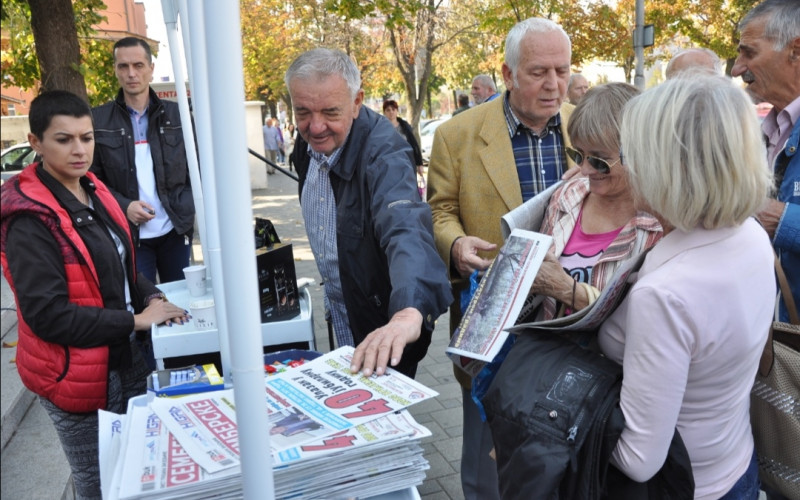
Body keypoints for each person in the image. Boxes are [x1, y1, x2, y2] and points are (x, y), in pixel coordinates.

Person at [0, 90, 189, 500]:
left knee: (137, 468)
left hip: (123, 356)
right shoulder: (29, 218)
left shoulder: (93, 187)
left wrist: (151, 297)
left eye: (86, 138)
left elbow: (121, 265)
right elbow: (47, 316)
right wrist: (136, 320)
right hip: (73, 374)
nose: (79, 150)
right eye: (63, 139)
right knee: (99, 480)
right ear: (35, 142)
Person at [599, 74, 774, 500]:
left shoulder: (665, 294)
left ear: (666, 166)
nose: (626, 167)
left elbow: (639, 458)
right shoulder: (749, 234)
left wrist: (555, 422)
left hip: (687, 486)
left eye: (631, 154)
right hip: (736, 464)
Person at [427, 17, 576, 500]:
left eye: (562, 70)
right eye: (539, 72)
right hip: (494, 326)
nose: (554, 85)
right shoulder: (458, 135)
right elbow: (440, 210)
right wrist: (455, 244)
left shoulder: (586, 127)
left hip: (571, 320)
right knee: (486, 464)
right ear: (508, 74)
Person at [285, 48, 451, 379]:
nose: (315, 127)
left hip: (386, 327)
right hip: (342, 310)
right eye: (302, 112)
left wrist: (408, 311)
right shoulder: (307, 145)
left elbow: (406, 228)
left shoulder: (385, 153)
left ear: (357, 101)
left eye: (330, 112)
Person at [528, 83, 663, 322]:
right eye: (578, 155)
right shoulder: (567, 197)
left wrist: (570, 291)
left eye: (600, 161)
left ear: (637, 153)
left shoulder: (661, 222)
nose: (584, 170)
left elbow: (649, 320)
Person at [91, 36, 195, 285]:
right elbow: (92, 180)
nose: (131, 73)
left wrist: (185, 206)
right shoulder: (98, 120)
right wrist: (124, 206)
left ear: (151, 68)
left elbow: (198, 171)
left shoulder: (178, 116)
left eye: (138, 65)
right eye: (123, 66)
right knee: (144, 301)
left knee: (181, 299)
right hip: (129, 234)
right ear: (115, 70)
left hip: (175, 230)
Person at [732, 0, 799, 322]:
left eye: (749, 53)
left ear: (796, 51)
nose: (736, 69)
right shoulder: (764, 130)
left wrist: (781, 220)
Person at [382, 99, 424, 176]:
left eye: (393, 109)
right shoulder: (381, 128)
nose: (391, 112)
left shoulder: (405, 126)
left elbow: (414, 144)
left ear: (397, 111)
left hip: (407, 163)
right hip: (389, 165)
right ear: (384, 112)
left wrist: (419, 164)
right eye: (388, 110)